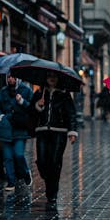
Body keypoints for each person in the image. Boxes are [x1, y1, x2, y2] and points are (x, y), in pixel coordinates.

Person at [32, 72, 78, 205]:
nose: (51, 78)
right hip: (42, 131)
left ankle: (52, 192)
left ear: (58, 79)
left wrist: (72, 131)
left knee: (55, 161)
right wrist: (38, 105)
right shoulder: (40, 93)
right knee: (41, 161)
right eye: (49, 76)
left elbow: (71, 113)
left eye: (54, 76)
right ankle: (48, 179)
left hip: (59, 132)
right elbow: (31, 112)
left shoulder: (64, 95)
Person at [0, 74, 33, 191]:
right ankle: (11, 182)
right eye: (9, 77)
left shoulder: (26, 90)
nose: (11, 79)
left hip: (20, 128)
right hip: (6, 128)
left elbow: (32, 108)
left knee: (19, 154)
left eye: (13, 77)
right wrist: (0, 115)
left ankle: (26, 173)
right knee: (8, 157)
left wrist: (22, 101)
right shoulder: (3, 91)